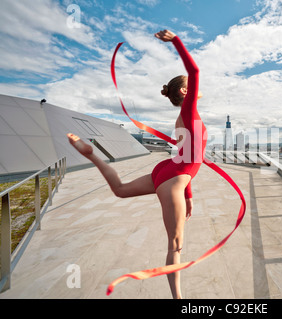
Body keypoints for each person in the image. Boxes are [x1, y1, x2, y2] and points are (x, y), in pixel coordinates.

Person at [67, 30, 207, 299]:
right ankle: (179, 300)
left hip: (169, 170)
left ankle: (92, 154)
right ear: (185, 92)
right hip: (174, 175)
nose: (198, 88)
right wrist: (176, 40)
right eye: (192, 86)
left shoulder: (182, 118)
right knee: (175, 247)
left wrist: (188, 195)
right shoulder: (188, 111)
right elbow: (195, 70)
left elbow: (186, 156)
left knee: (119, 189)